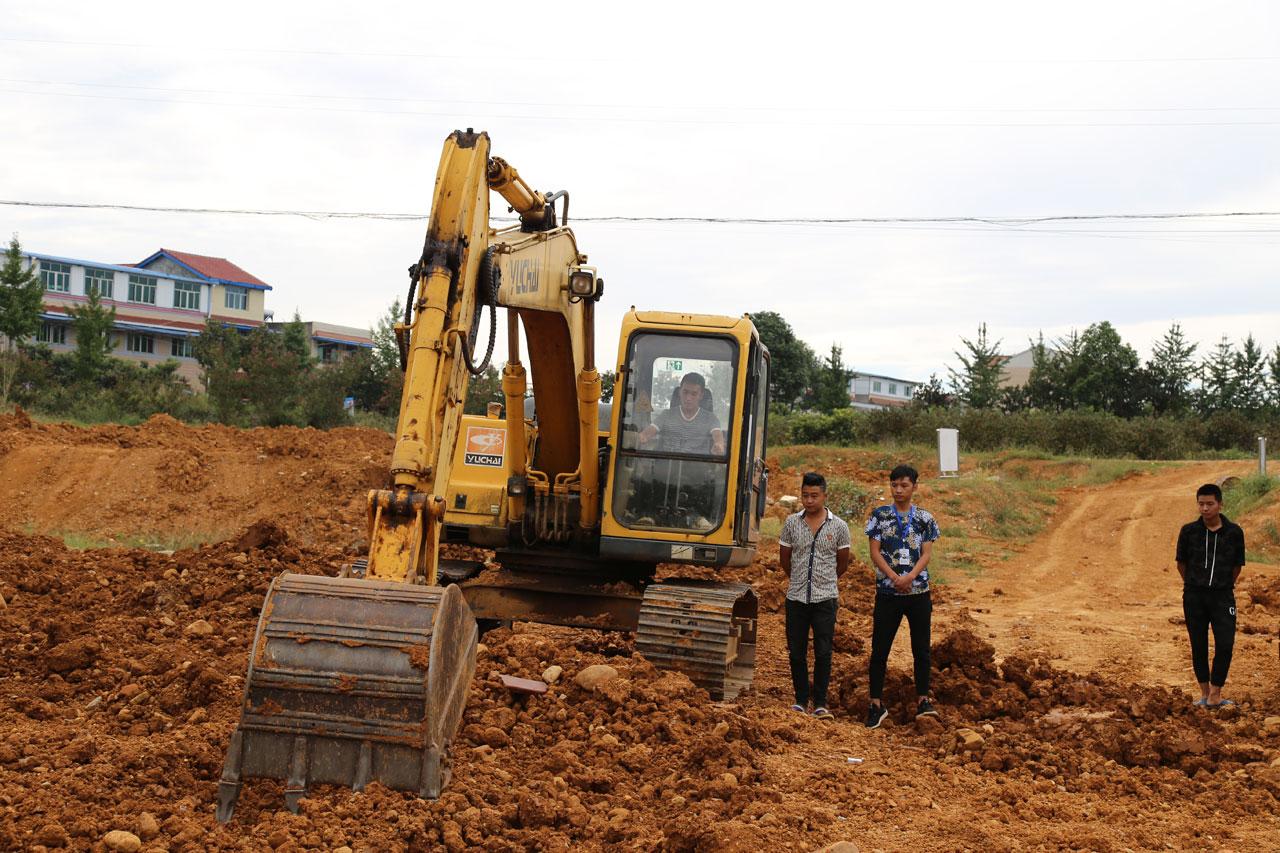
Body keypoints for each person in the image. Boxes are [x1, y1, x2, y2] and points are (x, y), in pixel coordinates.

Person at [865, 464, 941, 728]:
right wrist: (895, 577)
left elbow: (927, 553)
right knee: (879, 650)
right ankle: (875, 703)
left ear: (914, 487)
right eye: (894, 485)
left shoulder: (925, 518)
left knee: (921, 649)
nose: (898, 490)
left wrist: (909, 577)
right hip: (888, 592)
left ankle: (923, 700)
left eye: (904, 485)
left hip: (918, 591)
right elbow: (875, 552)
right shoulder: (879, 516)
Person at [778, 472, 852, 720]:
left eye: (814, 496)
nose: (809, 501)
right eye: (805, 495)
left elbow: (842, 563)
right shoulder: (791, 523)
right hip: (796, 597)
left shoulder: (839, 526)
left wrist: (825, 581)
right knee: (796, 651)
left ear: (824, 496)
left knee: (823, 651)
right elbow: (784, 559)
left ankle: (820, 702)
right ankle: (800, 699)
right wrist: (798, 578)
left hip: (825, 598)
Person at [1175, 483, 1246, 708]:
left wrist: (1222, 585)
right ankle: (1205, 694)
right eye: (1201, 504)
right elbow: (1181, 563)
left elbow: (1237, 566)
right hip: (1194, 595)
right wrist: (1194, 584)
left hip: (1222, 596)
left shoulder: (1234, 532)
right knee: (1198, 643)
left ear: (1220, 504)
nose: (1205, 509)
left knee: (1225, 643)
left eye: (1210, 504)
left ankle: (1217, 692)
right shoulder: (1189, 531)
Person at [638, 372, 725, 456]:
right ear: (680, 392)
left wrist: (719, 445)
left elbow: (717, 435)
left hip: (698, 467)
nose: (688, 398)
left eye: (694, 394)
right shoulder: (666, 415)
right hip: (667, 466)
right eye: (685, 392)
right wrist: (641, 437)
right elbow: (647, 433)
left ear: (701, 395)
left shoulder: (710, 419)